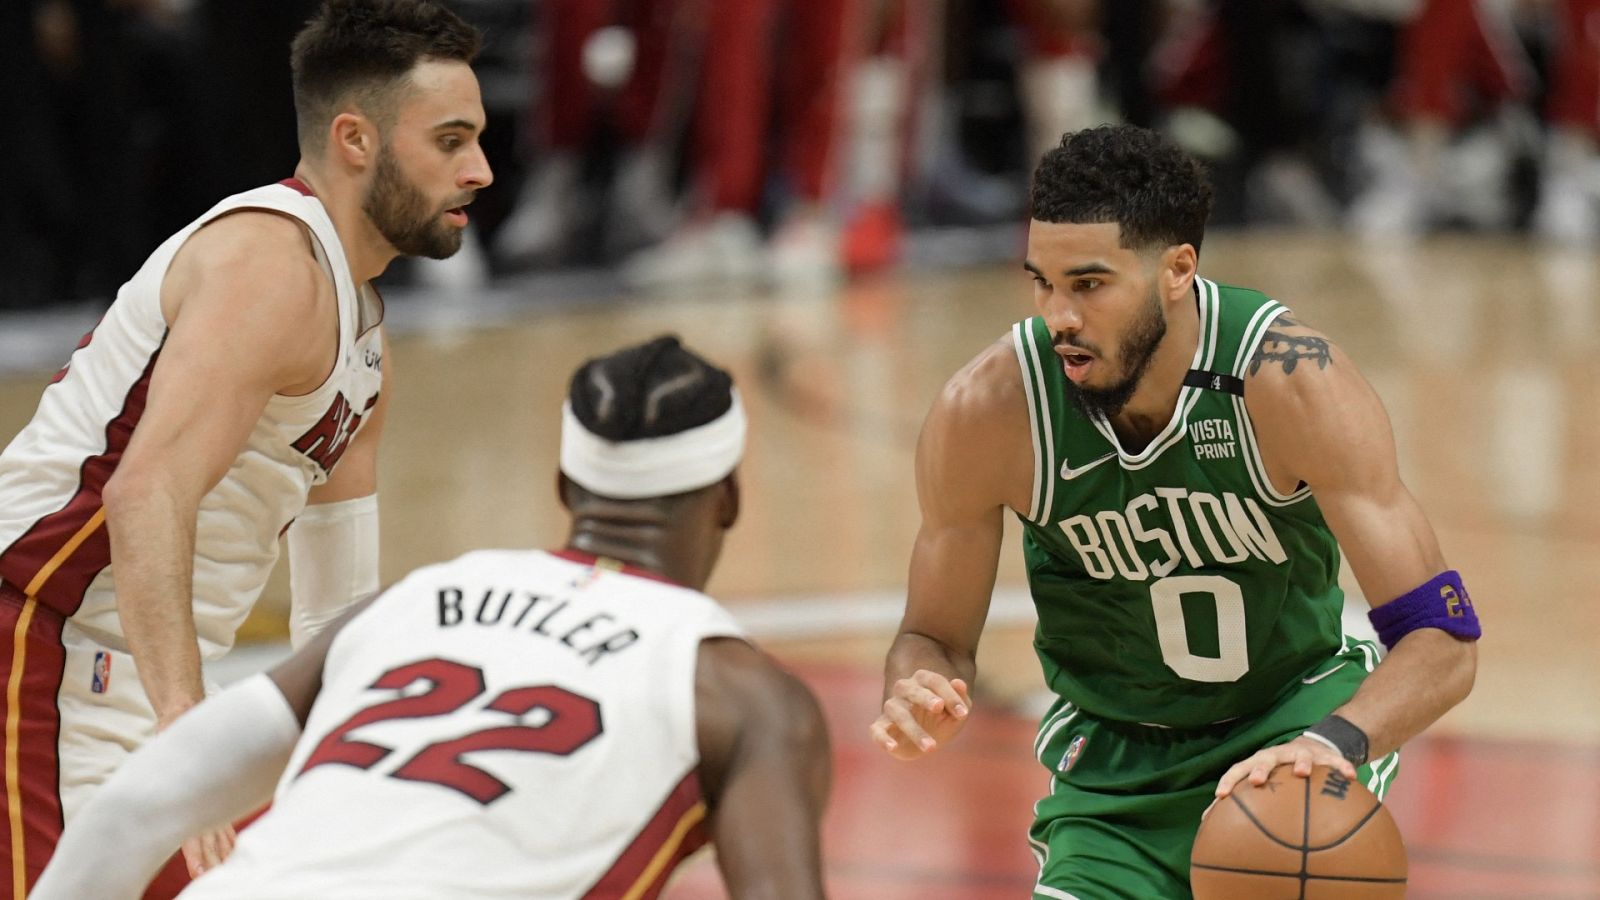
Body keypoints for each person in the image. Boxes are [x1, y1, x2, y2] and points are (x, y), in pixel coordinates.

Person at [870, 124, 1480, 899]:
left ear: (1177, 271)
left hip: (1289, 733)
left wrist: (1334, 745)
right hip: (1115, 773)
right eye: (1041, 283)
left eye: (1088, 285)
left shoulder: (1288, 377)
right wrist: (915, 685)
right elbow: (932, 636)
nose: (1058, 316)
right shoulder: (989, 410)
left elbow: (1442, 638)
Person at [31, 335, 832, 900]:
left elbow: (136, 804)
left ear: (565, 486)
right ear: (727, 497)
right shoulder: (743, 694)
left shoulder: (414, 602)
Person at [0, 1, 492, 894]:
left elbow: (333, 614)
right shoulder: (271, 262)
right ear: (355, 139)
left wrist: (359, 760)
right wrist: (189, 740)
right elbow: (145, 491)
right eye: (451, 141)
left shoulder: (364, 336)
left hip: (129, 680)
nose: (482, 170)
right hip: (35, 641)